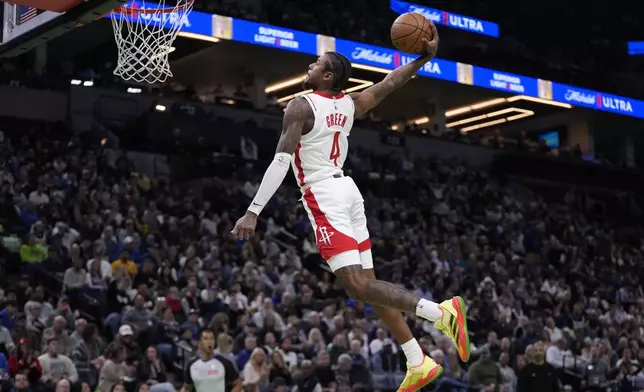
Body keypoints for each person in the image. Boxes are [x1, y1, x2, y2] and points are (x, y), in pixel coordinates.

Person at [231, 21, 470, 392]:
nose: (309, 66)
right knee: (367, 286)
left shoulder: (299, 105)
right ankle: (416, 360)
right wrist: (424, 58)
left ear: (327, 76)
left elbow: (281, 161)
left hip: (324, 195)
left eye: (316, 64)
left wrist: (253, 210)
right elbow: (391, 83)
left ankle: (440, 313)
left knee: (358, 285)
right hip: (349, 191)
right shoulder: (349, 102)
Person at [180, 328, 241, 392]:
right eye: (206, 339)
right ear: (199, 343)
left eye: (212, 339)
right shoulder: (192, 364)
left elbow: (238, 384)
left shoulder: (224, 363)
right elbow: (186, 387)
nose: (209, 342)